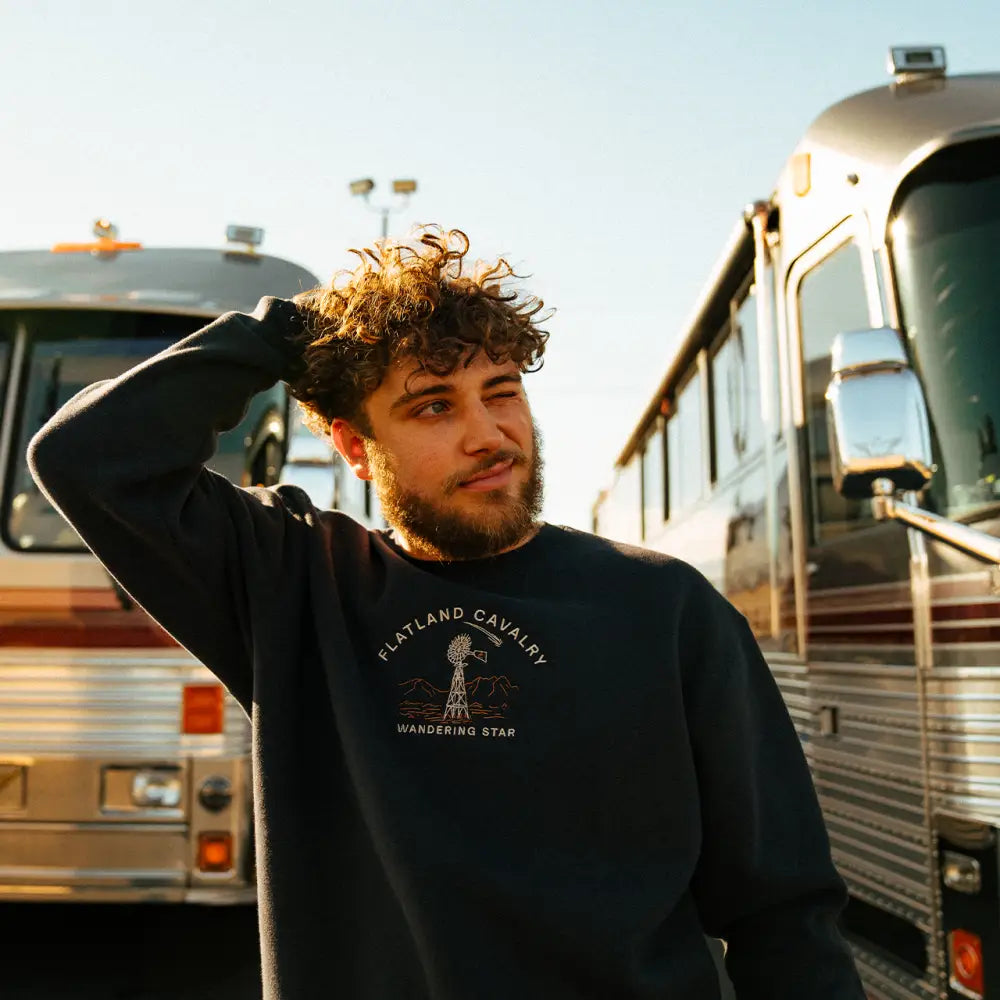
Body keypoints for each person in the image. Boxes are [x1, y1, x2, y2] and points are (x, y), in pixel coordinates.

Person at [29, 227, 864, 1000]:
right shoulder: (294, 582)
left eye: (502, 393)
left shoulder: (667, 608)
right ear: (354, 446)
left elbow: (783, 910)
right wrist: (290, 329)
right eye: (433, 405)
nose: (488, 434)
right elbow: (87, 455)